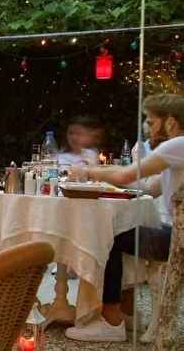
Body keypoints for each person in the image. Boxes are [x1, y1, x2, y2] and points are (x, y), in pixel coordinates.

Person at [65, 93, 184, 342]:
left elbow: (124, 177)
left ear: (170, 122)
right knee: (127, 230)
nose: (146, 128)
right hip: (177, 234)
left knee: (111, 237)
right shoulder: (177, 150)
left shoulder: (177, 145)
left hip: (180, 240)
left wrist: (89, 171)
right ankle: (127, 312)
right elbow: (149, 188)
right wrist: (102, 172)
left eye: (150, 121)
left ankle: (111, 322)